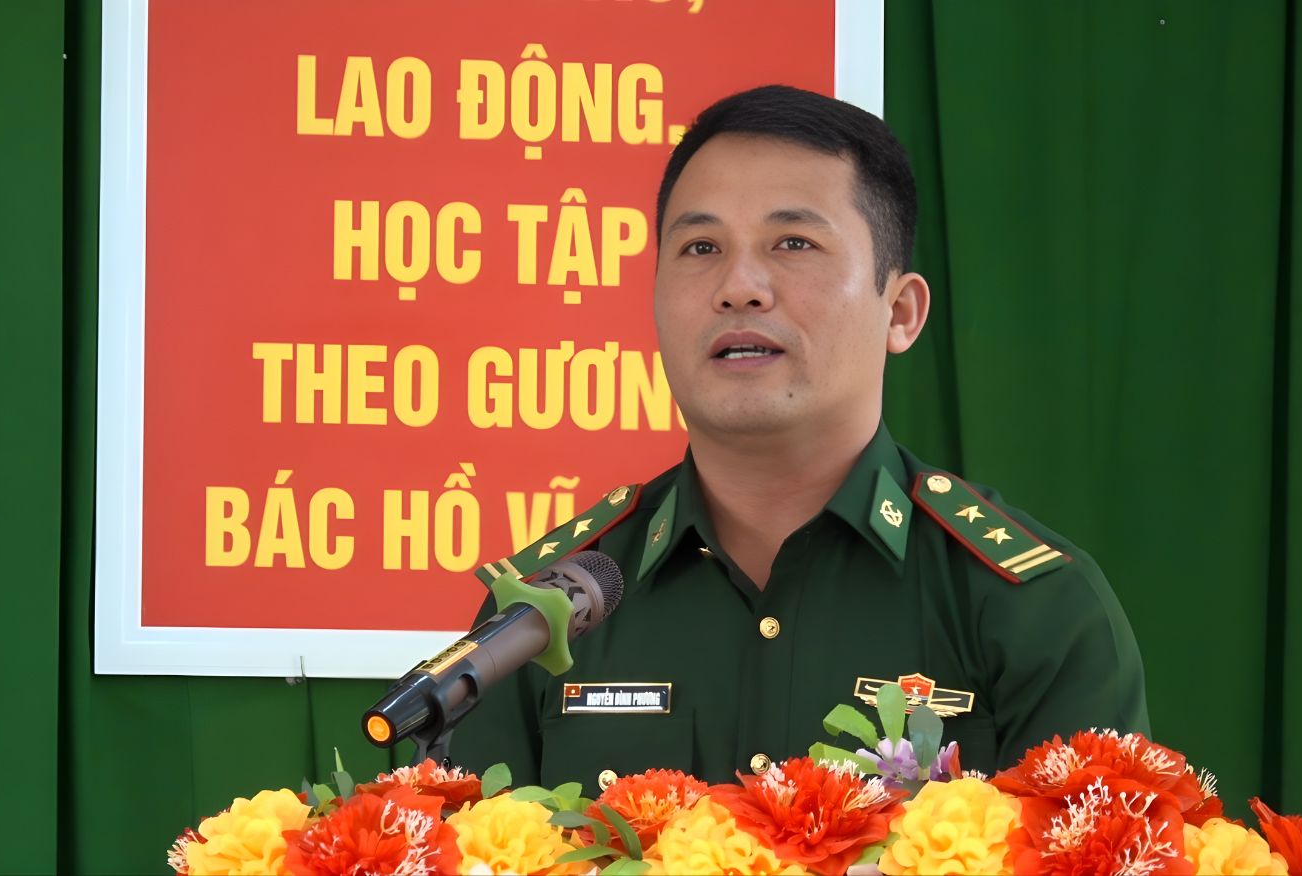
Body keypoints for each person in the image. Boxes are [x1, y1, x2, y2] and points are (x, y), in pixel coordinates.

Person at [447, 85, 1148, 792]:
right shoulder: (543, 616)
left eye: (793, 243)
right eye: (700, 247)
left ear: (901, 312)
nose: (739, 287)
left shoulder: (1032, 610)